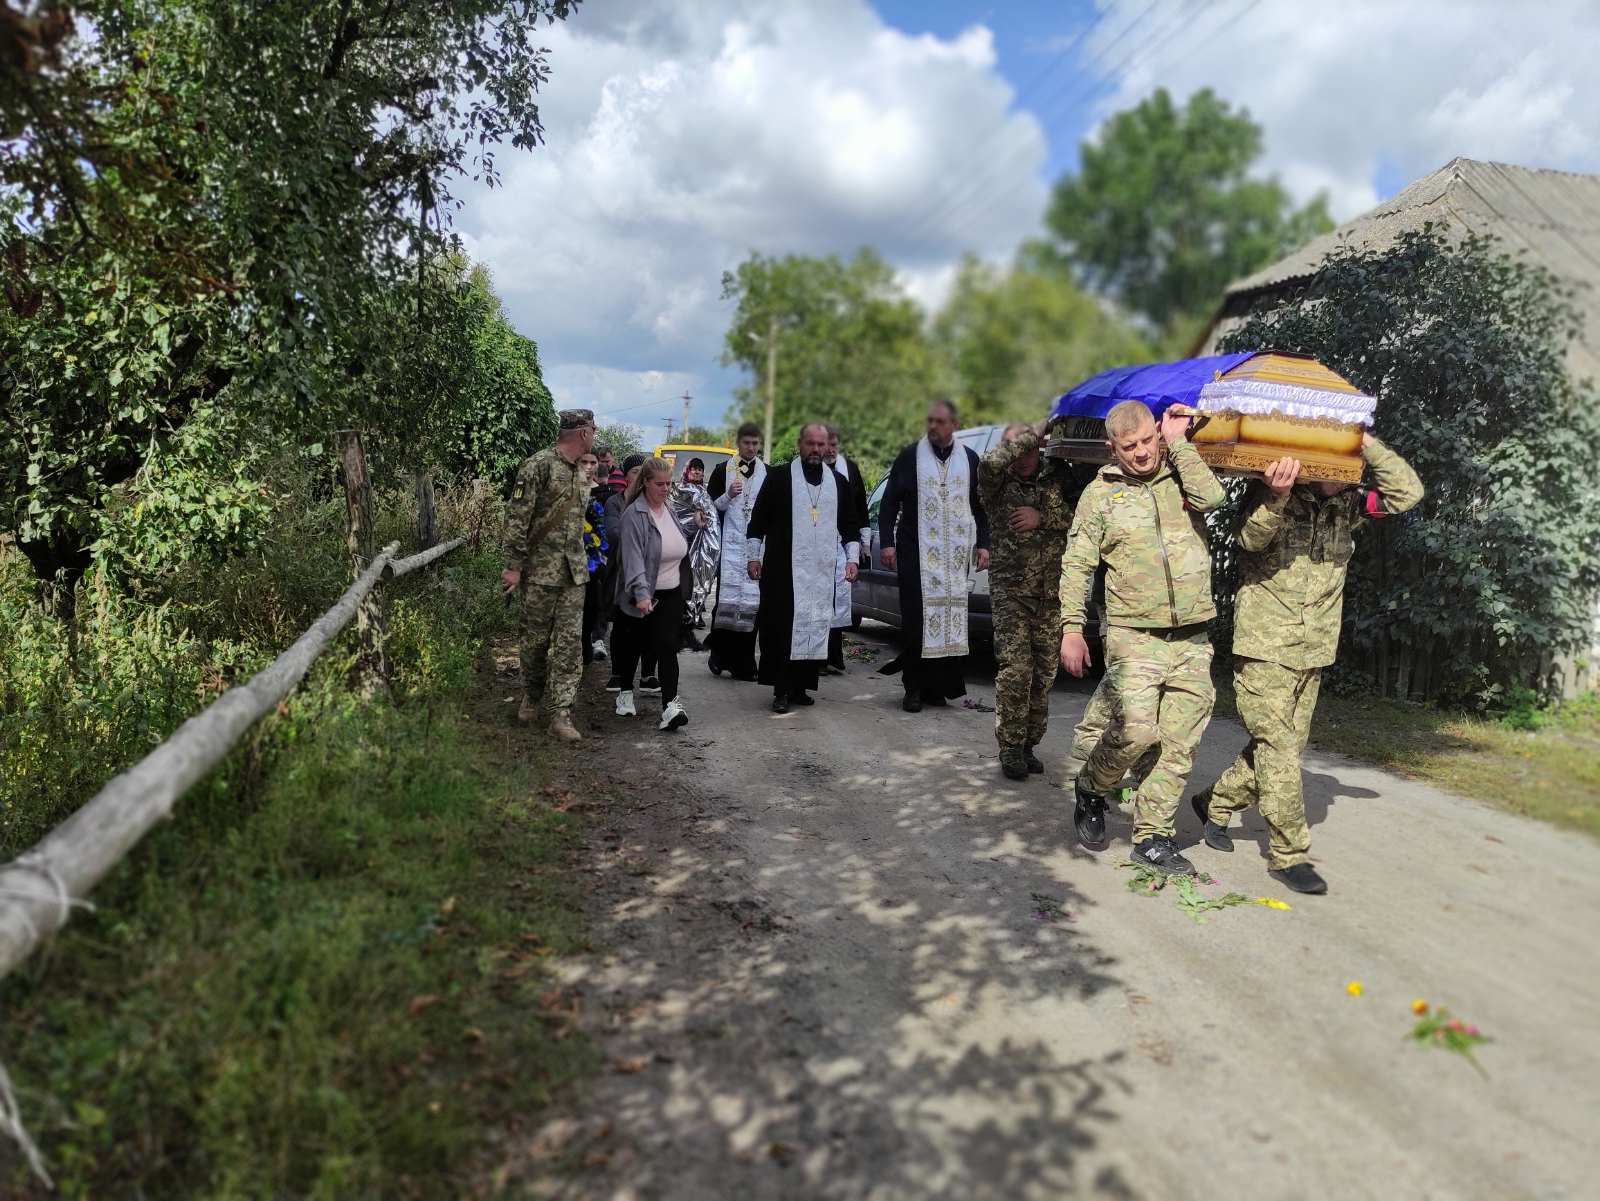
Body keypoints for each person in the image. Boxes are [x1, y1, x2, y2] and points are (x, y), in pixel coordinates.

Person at [1193, 435, 1424, 895]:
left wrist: (1365, 442)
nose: (1342, 475)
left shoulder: (1349, 506)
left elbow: (1407, 493)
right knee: (1278, 750)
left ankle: (1215, 800)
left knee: (1283, 749)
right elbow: (1250, 541)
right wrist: (1277, 495)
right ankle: (1289, 854)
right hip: (1265, 647)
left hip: (1314, 648)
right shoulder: (1270, 492)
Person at [1057, 399, 1225, 874]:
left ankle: (1152, 836)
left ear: (1157, 433)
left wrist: (1179, 443)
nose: (1143, 452)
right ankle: (1092, 785)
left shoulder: (1182, 473)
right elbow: (1077, 565)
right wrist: (1071, 629)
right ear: (1112, 448)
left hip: (1192, 634)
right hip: (1133, 633)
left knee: (1179, 743)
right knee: (1136, 731)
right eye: (1130, 446)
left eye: (1148, 440)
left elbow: (1213, 500)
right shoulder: (1100, 495)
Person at [878, 400, 990, 711]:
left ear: (955, 425)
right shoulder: (910, 457)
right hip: (916, 554)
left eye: (940, 422)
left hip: (953, 558)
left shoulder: (969, 459)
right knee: (917, 621)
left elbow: (980, 506)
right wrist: (886, 543)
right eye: (930, 421)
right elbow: (889, 502)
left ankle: (937, 688)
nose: (933, 427)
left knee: (949, 620)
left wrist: (984, 543)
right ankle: (913, 688)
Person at [979, 419, 1074, 780]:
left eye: (1026, 448)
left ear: (1039, 448)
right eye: (1013, 446)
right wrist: (1029, 434)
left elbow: (1083, 515)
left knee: (1044, 675)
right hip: (1012, 593)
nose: (1018, 455)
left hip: (1052, 592)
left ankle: (1029, 744)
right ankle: (1010, 747)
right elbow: (989, 464)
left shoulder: (1059, 475)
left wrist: (1043, 517)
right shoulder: (997, 483)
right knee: (1016, 670)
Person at [745, 424, 861, 712]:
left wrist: (852, 559)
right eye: (811, 443)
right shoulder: (779, 478)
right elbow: (758, 520)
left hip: (820, 571)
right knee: (782, 628)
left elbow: (850, 525)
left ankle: (801, 686)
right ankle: (781, 689)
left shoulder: (838, 483)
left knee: (814, 623)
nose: (816, 450)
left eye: (821, 444)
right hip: (782, 570)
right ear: (800, 443)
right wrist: (753, 556)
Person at [500, 408, 596, 742]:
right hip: (539, 573)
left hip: (573, 574)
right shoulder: (538, 465)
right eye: (593, 431)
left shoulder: (583, 470)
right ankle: (532, 695)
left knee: (569, 645)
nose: (594, 437)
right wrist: (513, 566)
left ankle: (561, 713)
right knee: (535, 643)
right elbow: (517, 517)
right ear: (583, 433)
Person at [611, 458, 706, 731]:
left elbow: (673, 541)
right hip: (641, 593)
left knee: (667, 647)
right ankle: (625, 692)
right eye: (660, 484)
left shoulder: (669, 509)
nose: (666, 489)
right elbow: (632, 559)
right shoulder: (634, 516)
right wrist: (641, 594)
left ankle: (670, 706)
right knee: (633, 646)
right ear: (645, 483)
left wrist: (693, 526)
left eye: (669, 484)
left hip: (671, 593)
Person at [706, 422, 767, 681]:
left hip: (755, 548)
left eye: (755, 443)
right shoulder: (722, 470)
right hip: (730, 546)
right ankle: (719, 655)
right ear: (738, 443)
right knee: (727, 601)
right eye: (746, 443)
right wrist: (728, 495)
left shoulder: (768, 473)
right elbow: (708, 509)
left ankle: (744, 663)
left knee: (752, 604)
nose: (751, 448)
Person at [823, 423, 870, 674]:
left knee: (839, 600)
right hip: (817, 544)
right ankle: (817, 657)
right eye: (826, 445)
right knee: (821, 600)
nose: (830, 449)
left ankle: (834, 654)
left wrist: (863, 542)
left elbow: (860, 506)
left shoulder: (849, 469)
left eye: (834, 445)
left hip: (843, 544)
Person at [673, 457, 715, 653]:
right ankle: (680, 633)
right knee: (683, 589)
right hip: (684, 547)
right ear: (687, 470)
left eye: (700, 469)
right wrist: (694, 518)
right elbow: (678, 516)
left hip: (701, 548)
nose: (697, 472)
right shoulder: (680, 490)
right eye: (694, 469)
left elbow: (711, 516)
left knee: (699, 586)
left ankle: (688, 630)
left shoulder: (705, 492)